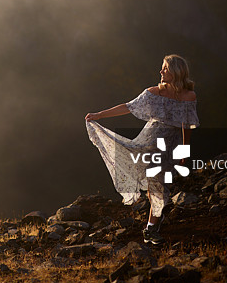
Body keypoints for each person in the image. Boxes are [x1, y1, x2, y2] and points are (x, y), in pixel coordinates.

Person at [85, 54, 199, 245]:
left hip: (171, 145)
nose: (161, 71)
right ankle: (151, 228)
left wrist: (184, 152)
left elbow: (186, 126)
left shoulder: (189, 96)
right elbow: (128, 107)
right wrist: (99, 115)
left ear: (176, 72)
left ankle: (154, 222)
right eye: (162, 68)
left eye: (165, 68)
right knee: (156, 183)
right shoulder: (153, 93)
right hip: (150, 143)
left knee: (158, 183)